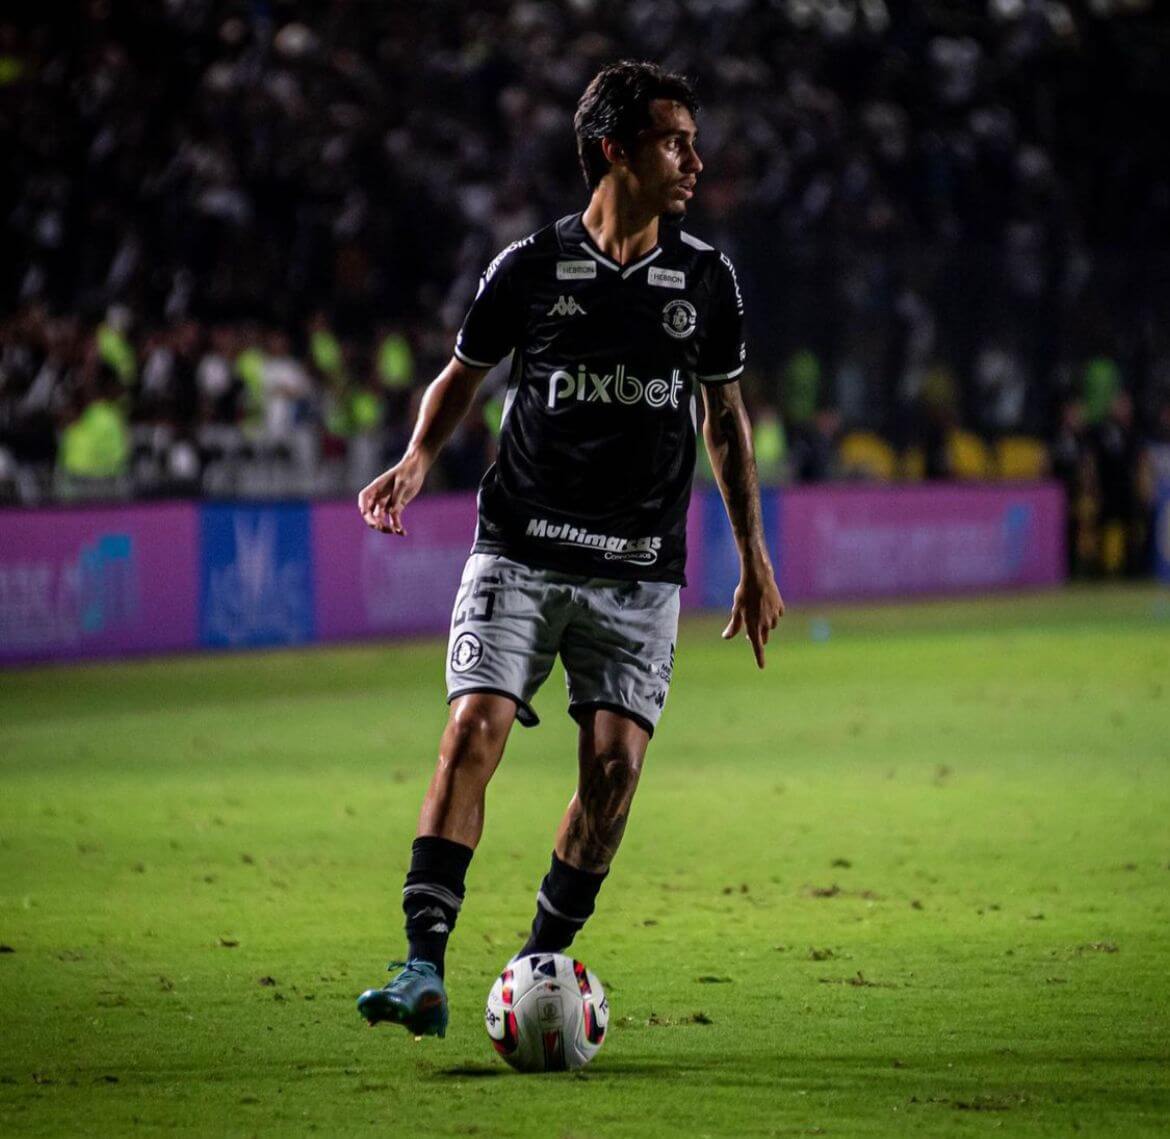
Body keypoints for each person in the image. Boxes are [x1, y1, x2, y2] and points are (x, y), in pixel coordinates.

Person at [355, 61, 784, 1039]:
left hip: (639, 569)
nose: (695, 160)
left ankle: (537, 956)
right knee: (474, 730)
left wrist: (754, 555)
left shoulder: (707, 281)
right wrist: (421, 455)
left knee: (614, 774)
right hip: (521, 546)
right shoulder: (527, 270)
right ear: (614, 151)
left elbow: (726, 421)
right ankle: (422, 963)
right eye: (675, 140)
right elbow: (462, 373)